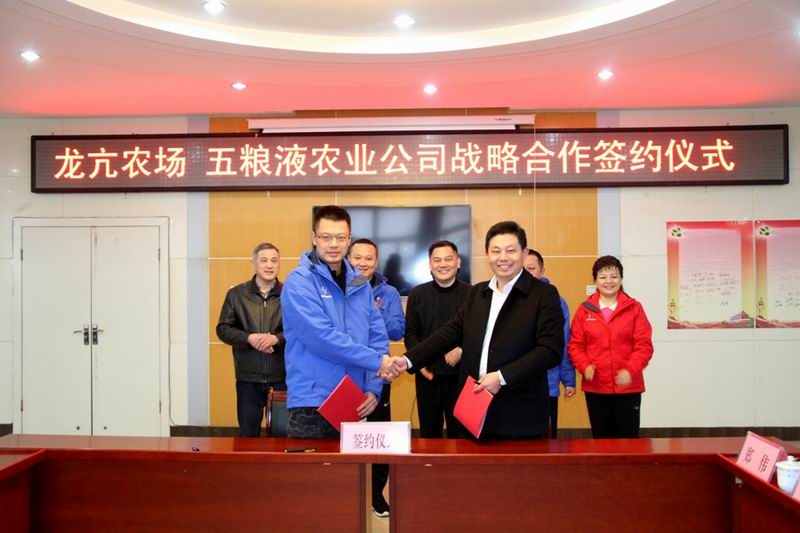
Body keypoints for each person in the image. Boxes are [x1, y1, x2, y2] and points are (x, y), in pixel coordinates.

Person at [398, 221, 564, 439]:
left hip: (518, 409)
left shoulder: (543, 294)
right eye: (496, 251)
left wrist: (502, 377)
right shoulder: (478, 293)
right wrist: (407, 360)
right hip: (473, 405)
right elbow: (449, 332)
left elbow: (550, 350)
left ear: (524, 253)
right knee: (468, 460)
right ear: (487, 255)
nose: (503, 257)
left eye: (510, 250)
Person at [280, 205, 398, 439]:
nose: (334, 244)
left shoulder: (360, 284)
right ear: (314, 238)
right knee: (315, 464)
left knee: (353, 464)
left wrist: (373, 388)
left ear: (349, 239)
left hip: (355, 399)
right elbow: (321, 338)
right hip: (313, 401)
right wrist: (378, 362)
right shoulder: (299, 282)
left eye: (340, 237)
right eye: (326, 237)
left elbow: (377, 337)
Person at [347, 238, 404, 518]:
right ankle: (347, 494)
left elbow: (397, 330)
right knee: (346, 435)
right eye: (357, 257)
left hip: (379, 372)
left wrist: (376, 313)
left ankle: (377, 495)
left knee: (379, 437)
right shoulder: (339, 288)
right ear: (348, 259)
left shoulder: (389, 292)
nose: (362, 263)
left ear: (376, 262)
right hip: (346, 372)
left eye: (368, 258)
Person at [568, 255, 653, 439]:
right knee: (601, 440)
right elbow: (575, 345)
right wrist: (584, 366)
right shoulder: (584, 310)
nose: (609, 281)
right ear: (595, 281)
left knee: (628, 441)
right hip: (596, 387)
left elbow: (644, 345)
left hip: (628, 388)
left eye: (614, 276)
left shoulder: (634, 308)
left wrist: (630, 370)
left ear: (621, 279)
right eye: (603, 277)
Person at [216, 242, 286, 437]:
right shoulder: (236, 295)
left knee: (282, 436)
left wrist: (276, 339)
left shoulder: (290, 294)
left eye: (274, 260)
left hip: (282, 378)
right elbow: (223, 329)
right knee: (247, 437)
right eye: (264, 260)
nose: (269, 265)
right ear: (253, 263)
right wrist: (249, 338)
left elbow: (301, 330)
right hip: (248, 379)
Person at [404, 240, 470, 438]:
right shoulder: (417, 294)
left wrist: (462, 349)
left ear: (458, 262)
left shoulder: (473, 294)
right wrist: (419, 364)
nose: (443, 264)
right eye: (437, 260)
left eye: (448, 259)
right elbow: (411, 333)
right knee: (429, 434)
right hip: (427, 377)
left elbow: (479, 333)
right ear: (430, 264)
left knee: (461, 435)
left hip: (461, 378)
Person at [523, 249, 576, 439]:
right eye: (522, 269)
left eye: (531, 268)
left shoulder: (556, 302)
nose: (527, 273)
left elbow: (563, 342)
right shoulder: (506, 298)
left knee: (546, 439)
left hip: (548, 383)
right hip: (515, 384)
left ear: (542, 270)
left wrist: (568, 379)